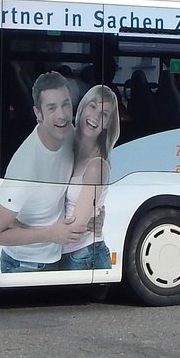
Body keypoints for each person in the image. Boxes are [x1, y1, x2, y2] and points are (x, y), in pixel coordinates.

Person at [0, 71, 96, 272]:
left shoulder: (69, 134)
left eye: (65, 104)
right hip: (24, 265)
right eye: (52, 108)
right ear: (38, 113)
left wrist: (94, 217)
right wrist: (50, 234)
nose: (62, 115)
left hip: (55, 257)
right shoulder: (25, 166)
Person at [59, 84, 121, 270]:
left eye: (104, 114)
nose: (95, 116)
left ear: (109, 123)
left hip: (84, 255)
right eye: (92, 106)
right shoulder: (67, 147)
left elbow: (77, 227)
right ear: (83, 107)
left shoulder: (96, 166)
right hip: (67, 252)